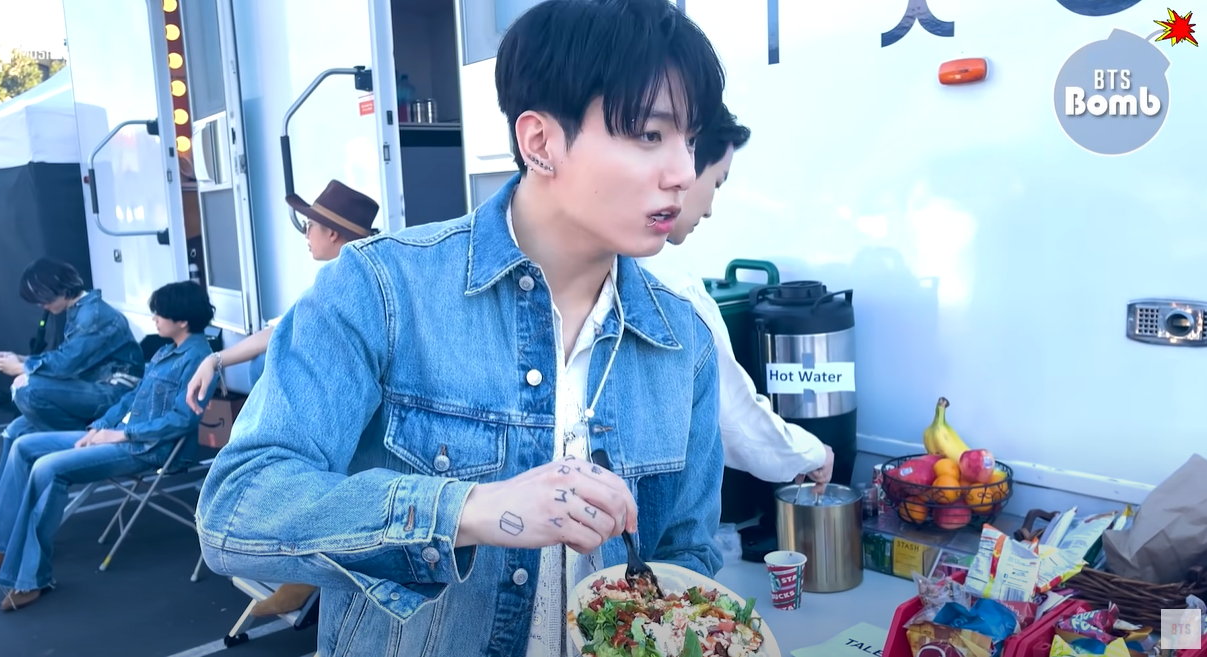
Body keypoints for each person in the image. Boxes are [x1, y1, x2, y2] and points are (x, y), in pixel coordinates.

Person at [194, 0, 727, 655]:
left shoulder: (682, 341)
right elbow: (237, 508)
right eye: (649, 134)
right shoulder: (382, 289)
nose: (683, 172)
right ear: (540, 143)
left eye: (689, 139)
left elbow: (686, 553)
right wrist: (468, 509)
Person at [183, 180, 379, 618]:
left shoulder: (345, 281)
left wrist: (217, 360)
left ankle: (307, 577)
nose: (305, 234)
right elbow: (279, 330)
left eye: (310, 226)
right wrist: (217, 358)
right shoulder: (351, 274)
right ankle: (306, 579)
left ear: (332, 232)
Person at [0, 281, 216, 612]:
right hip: (120, 435)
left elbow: (183, 420)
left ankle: (30, 577)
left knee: (48, 468)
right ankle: (2, 545)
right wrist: (101, 426)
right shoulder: (165, 350)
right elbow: (131, 397)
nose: (154, 318)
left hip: (147, 449)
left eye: (160, 313)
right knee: (24, 445)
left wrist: (122, 435)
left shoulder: (200, 359)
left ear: (182, 320)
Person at [637, 103, 836, 493]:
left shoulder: (617, 258)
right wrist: (814, 454)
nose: (710, 209)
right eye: (717, 182)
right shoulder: (670, 279)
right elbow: (735, 418)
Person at [0, 258, 144, 543]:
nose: (41, 305)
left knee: (27, 391)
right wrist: (23, 360)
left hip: (114, 394)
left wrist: (24, 367)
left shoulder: (93, 315)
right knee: (16, 430)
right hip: (93, 387)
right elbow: (69, 359)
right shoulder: (81, 310)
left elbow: (67, 364)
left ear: (61, 288)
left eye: (43, 298)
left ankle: (71, 436)